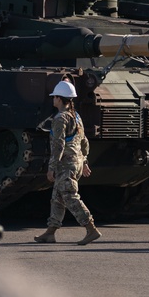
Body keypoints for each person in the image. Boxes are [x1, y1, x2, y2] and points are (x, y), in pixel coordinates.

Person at [34, 79, 102, 246]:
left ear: (59, 98)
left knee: (70, 197)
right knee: (57, 197)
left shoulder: (60, 119)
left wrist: (51, 168)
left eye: (54, 97)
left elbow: (58, 145)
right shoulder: (76, 116)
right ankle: (50, 232)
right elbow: (84, 141)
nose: (53, 99)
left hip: (66, 164)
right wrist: (84, 161)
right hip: (76, 162)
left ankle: (91, 228)